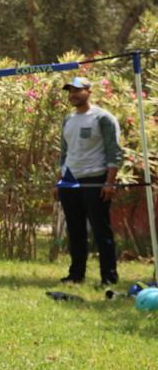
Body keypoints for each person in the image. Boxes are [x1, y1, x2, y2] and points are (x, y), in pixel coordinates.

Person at [55, 76, 122, 286]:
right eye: (70, 91)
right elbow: (64, 153)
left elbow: (114, 152)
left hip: (96, 179)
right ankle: (76, 275)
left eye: (78, 90)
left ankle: (109, 278)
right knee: (75, 231)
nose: (73, 95)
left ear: (88, 92)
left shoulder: (103, 118)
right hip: (70, 180)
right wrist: (60, 181)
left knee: (101, 231)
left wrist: (109, 182)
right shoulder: (68, 120)